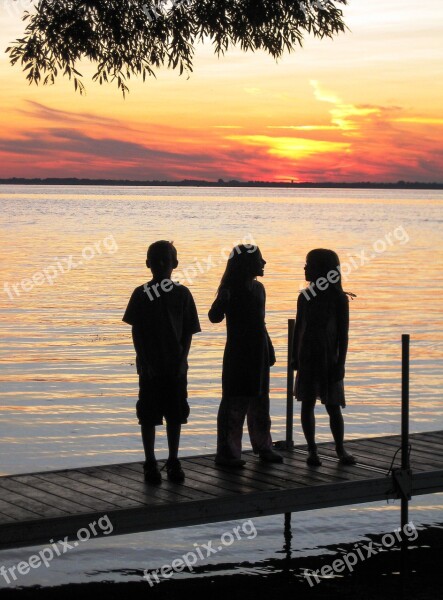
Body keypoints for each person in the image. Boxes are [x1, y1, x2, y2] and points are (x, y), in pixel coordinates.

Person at [123, 241, 201, 484]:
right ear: (147, 264)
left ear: (174, 264)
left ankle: (173, 460)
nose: (160, 265)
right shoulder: (141, 293)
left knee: (175, 415)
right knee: (148, 415)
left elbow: (188, 331)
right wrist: (144, 361)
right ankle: (150, 462)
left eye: (165, 261)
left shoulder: (183, 294)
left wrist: (183, 360)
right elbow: (136, 331)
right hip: (150, 368)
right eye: (155, 261)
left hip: (175, 367)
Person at [208, 244, 282, 467]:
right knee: (234, 403)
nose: (264, 263)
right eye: (260, 259)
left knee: (261, 402)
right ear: (246, 263)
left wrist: (269, 347)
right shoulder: (230, 289)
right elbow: (214, 316)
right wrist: (223, 299)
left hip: (258, 352)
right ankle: (228, 453)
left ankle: (263, 446)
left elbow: (261, 321)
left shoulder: (259, 289)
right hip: (238, 354)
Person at [292, 248, 356, 466]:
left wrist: (341, 363)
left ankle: (340, 448)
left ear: (323, 269)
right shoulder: (305, 296)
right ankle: (312, 450)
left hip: (329, 358)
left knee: (333, 405)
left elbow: (343, 334)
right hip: (307, 356)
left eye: (309, 264)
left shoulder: (339, 299)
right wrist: (294, 356)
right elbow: (299, 327)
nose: (305, 267)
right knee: (307, 402)